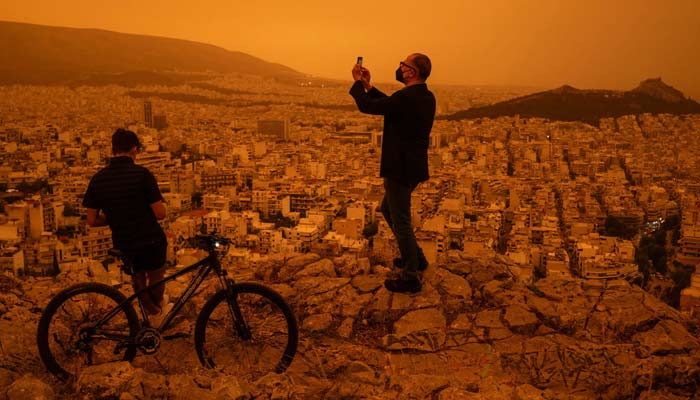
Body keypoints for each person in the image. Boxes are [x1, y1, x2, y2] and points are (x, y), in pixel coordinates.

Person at [349, 53, 436, 293]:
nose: (399, 67)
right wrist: (369, 86)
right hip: (414, 167)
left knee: (401, 220)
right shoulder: (426, 96)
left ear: (411, 72)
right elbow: (391, 106)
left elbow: (368, 107)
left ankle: (410, 275)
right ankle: (416, 258)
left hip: (399, 167)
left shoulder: (407, 97)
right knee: (388, 209)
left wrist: (357, 83)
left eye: (403, 65)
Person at [83, 128, 171, 321]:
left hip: (124, 241)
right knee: (156, 278)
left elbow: (91, 220)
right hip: (151, 240)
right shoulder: (142, 175)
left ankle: (150, 315)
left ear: (113, 150)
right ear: (134, 150)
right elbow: (160, 213)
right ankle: (156, 315)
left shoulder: (98, 179)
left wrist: (116, 215)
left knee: (137, 279)